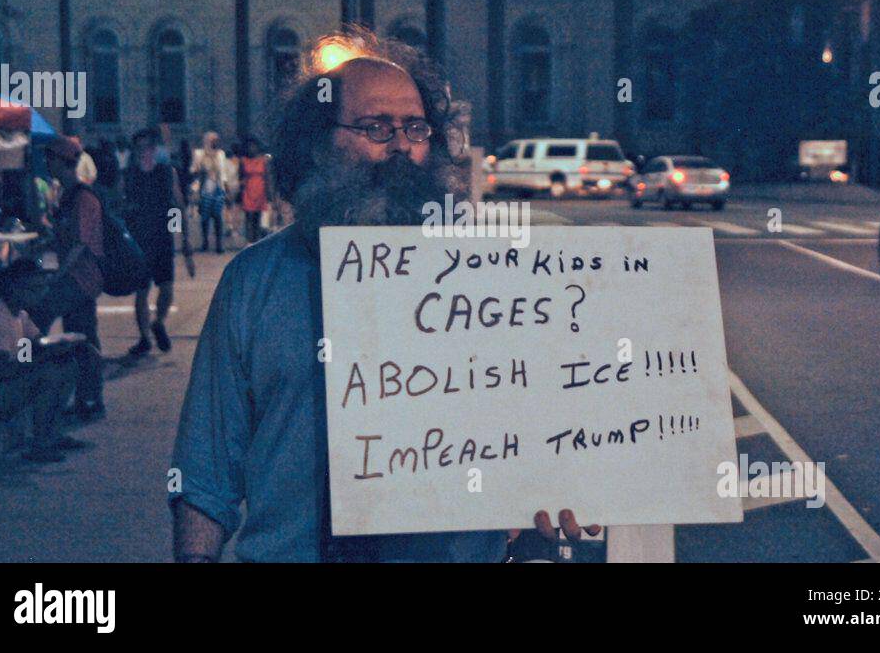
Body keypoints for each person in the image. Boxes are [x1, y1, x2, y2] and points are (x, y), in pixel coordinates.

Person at [170, 32, 598, 563]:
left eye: (416, 128)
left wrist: (568, 481)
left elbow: (544, 425)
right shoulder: (254, 281)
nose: (402, 145)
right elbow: (205, 473)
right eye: (376, 127)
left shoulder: (491, 278)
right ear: (318, 142)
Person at [0, 259, 85, 462]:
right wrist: (45, 356)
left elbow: (27, 351)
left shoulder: (20, 315)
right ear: (14, 288)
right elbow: (3, 370)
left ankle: (52, 433)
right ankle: (40, 444)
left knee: (66, 366)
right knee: (48, 376)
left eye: (41, 288)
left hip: (1, 387)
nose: (39, 294)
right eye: (33, 289)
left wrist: (59, 346)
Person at [29, 135, 106, 422]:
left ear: (63, 162)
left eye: (50, 158)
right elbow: (67, 238)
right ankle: (89, 398)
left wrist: (57, 276)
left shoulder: (83, 197)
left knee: (37, 317)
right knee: (82, 338)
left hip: (81, 277)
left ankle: (35, 385)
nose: (46, 163)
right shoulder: (67, 195)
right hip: (77, 277)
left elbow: (80, 244)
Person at [122, 127, 193, 357]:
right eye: (139, 148)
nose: (144, 152)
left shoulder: (166, 172)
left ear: (155, 149)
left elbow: (177, 204)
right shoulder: (130, 174)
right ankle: (144, 338)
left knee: (167, 289)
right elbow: (121, 205)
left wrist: (184, 241)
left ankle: (158, 322)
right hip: (139, 241)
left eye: (147, 147)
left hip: (162, 237)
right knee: (141, 292)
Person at [190, 131, 228, 253]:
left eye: (216, 140)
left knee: (218, 217)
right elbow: (193, 170)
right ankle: (205, 242)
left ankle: (219, 244)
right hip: (204, 187)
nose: (215, 142)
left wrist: (226, 188)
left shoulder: (220, 154)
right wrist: (200, 170)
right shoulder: (199, 154)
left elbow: (223, 173)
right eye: (213, 140)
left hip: (218, 188)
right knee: (205, 217)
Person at [237, 138, 270, 243]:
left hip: (260, 190)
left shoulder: (263, 161)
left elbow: (267, 177)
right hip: (248, 190)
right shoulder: (243, 161)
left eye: (253, 146)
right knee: (249, 216)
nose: (251, 148)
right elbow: (240, 176)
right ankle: (249, 240)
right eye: (249, 146)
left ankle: (257, 240)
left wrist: (269, 193)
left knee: (257, 216)